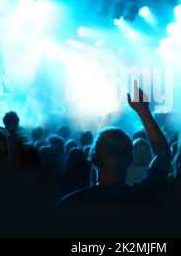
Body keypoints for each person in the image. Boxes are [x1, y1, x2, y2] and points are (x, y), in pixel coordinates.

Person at [58, 81, 171, 209]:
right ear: (130, 160)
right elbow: (163, 154)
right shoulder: (144, 197)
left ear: (94, 160)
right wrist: (143, 111)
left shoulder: (70, 205)